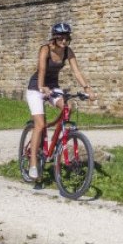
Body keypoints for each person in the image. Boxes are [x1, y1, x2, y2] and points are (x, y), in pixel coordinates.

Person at [24, 22, 93, 182]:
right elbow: (41, 69)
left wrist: (87, 88)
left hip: (53, 87)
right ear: (54, 38)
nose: (64, 40)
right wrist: (42, 87)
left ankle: (53, 132)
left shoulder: (68, 51)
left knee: (69, 107)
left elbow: (76, 71)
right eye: (61, 37)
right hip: (36, 87)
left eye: (67, 37)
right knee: (39, 125)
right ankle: (33, 164)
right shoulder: (45, 49)